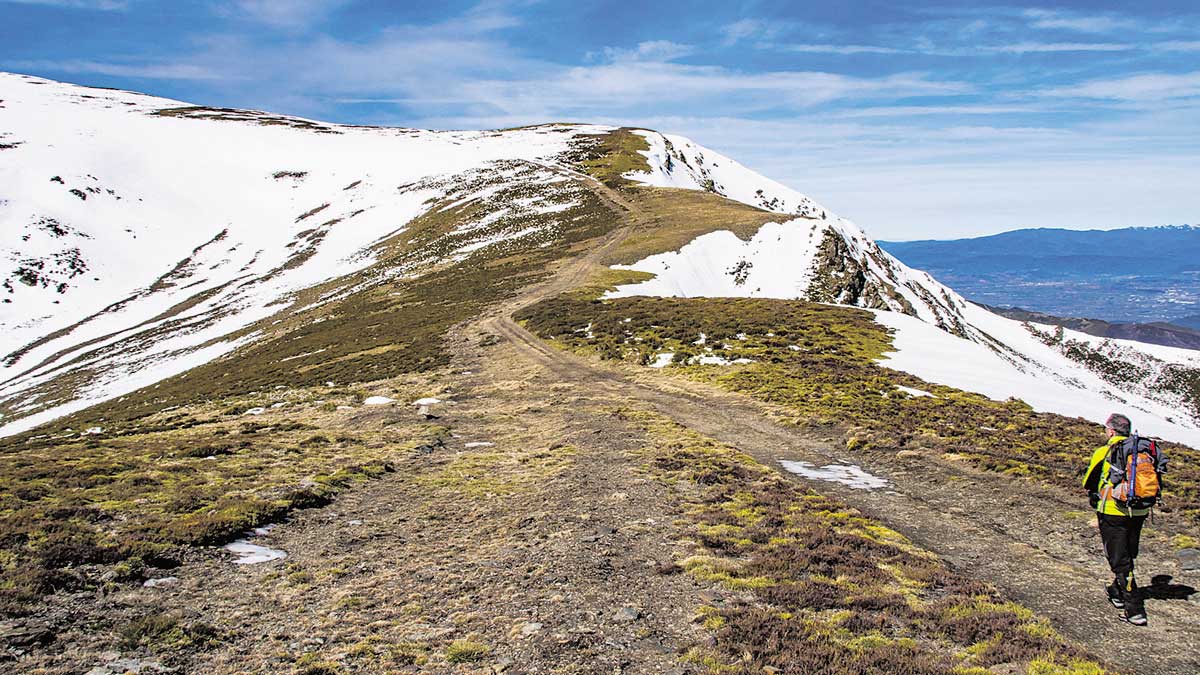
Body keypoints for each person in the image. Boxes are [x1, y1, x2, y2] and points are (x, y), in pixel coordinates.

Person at [1082, 412, 1149, 626]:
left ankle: (1134, 608)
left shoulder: (1105, 451)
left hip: (1113, 510)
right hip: (1139, 511)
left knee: (1119, 559)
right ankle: (1116, 591)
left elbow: (1088, 481)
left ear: (1111, 431)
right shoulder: (1142, 450)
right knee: (1128, 553)